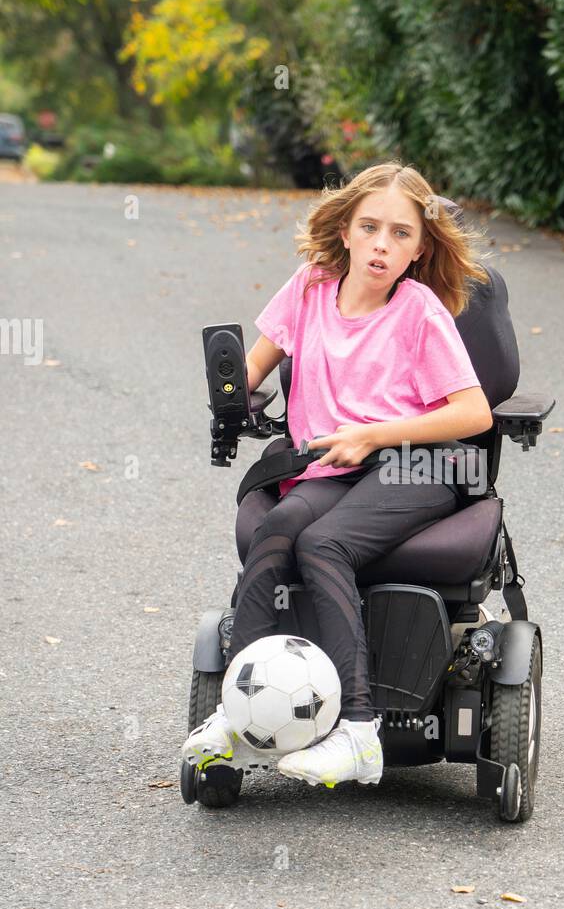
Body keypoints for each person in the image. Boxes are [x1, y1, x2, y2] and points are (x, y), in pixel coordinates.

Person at [182, 161, 493, 788]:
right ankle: (235, 717)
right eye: (371, 227)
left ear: (420, 248)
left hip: (412, 465)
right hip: (327, 466)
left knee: (325, 545)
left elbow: (473, 411)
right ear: (345, 230)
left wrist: (371, 435)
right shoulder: (309, 287)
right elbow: (252, 372)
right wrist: (230, 397)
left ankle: (356, 733)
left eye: (401, 234)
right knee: (276, 534)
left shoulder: (419, 311)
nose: (383, 244)